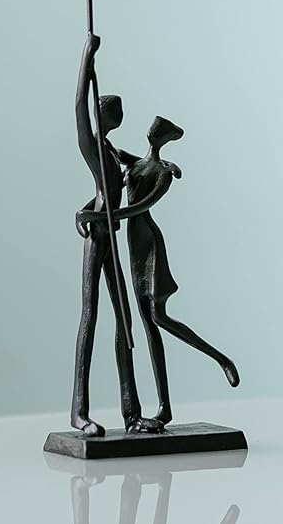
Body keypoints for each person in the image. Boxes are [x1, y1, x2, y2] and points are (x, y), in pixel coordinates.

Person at [77, 116, 240, 429]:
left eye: (158, 129)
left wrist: (106, 216)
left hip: (149, 246)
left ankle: (221, 359)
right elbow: (108, 168)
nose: (151, 130)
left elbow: (142, 206)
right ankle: (164, 408)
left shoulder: (163, 173)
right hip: (132, 246)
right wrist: (91, 211)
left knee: (158, 318)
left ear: (164, 138)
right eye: (152, 127)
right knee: (148, 325)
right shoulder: (135, 163)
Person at [71, 33, 161, 437]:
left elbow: (140, 164)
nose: (119, 113)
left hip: (110, 230)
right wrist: (87, 57)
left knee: (124, 322)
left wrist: (163, 164)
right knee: (90, 316)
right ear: (103, 114)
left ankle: (131, 413)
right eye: (115, 110)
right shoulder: (91, 146)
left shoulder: (110, 150)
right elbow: (78, 105)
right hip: (98, 237)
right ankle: (79, 412)